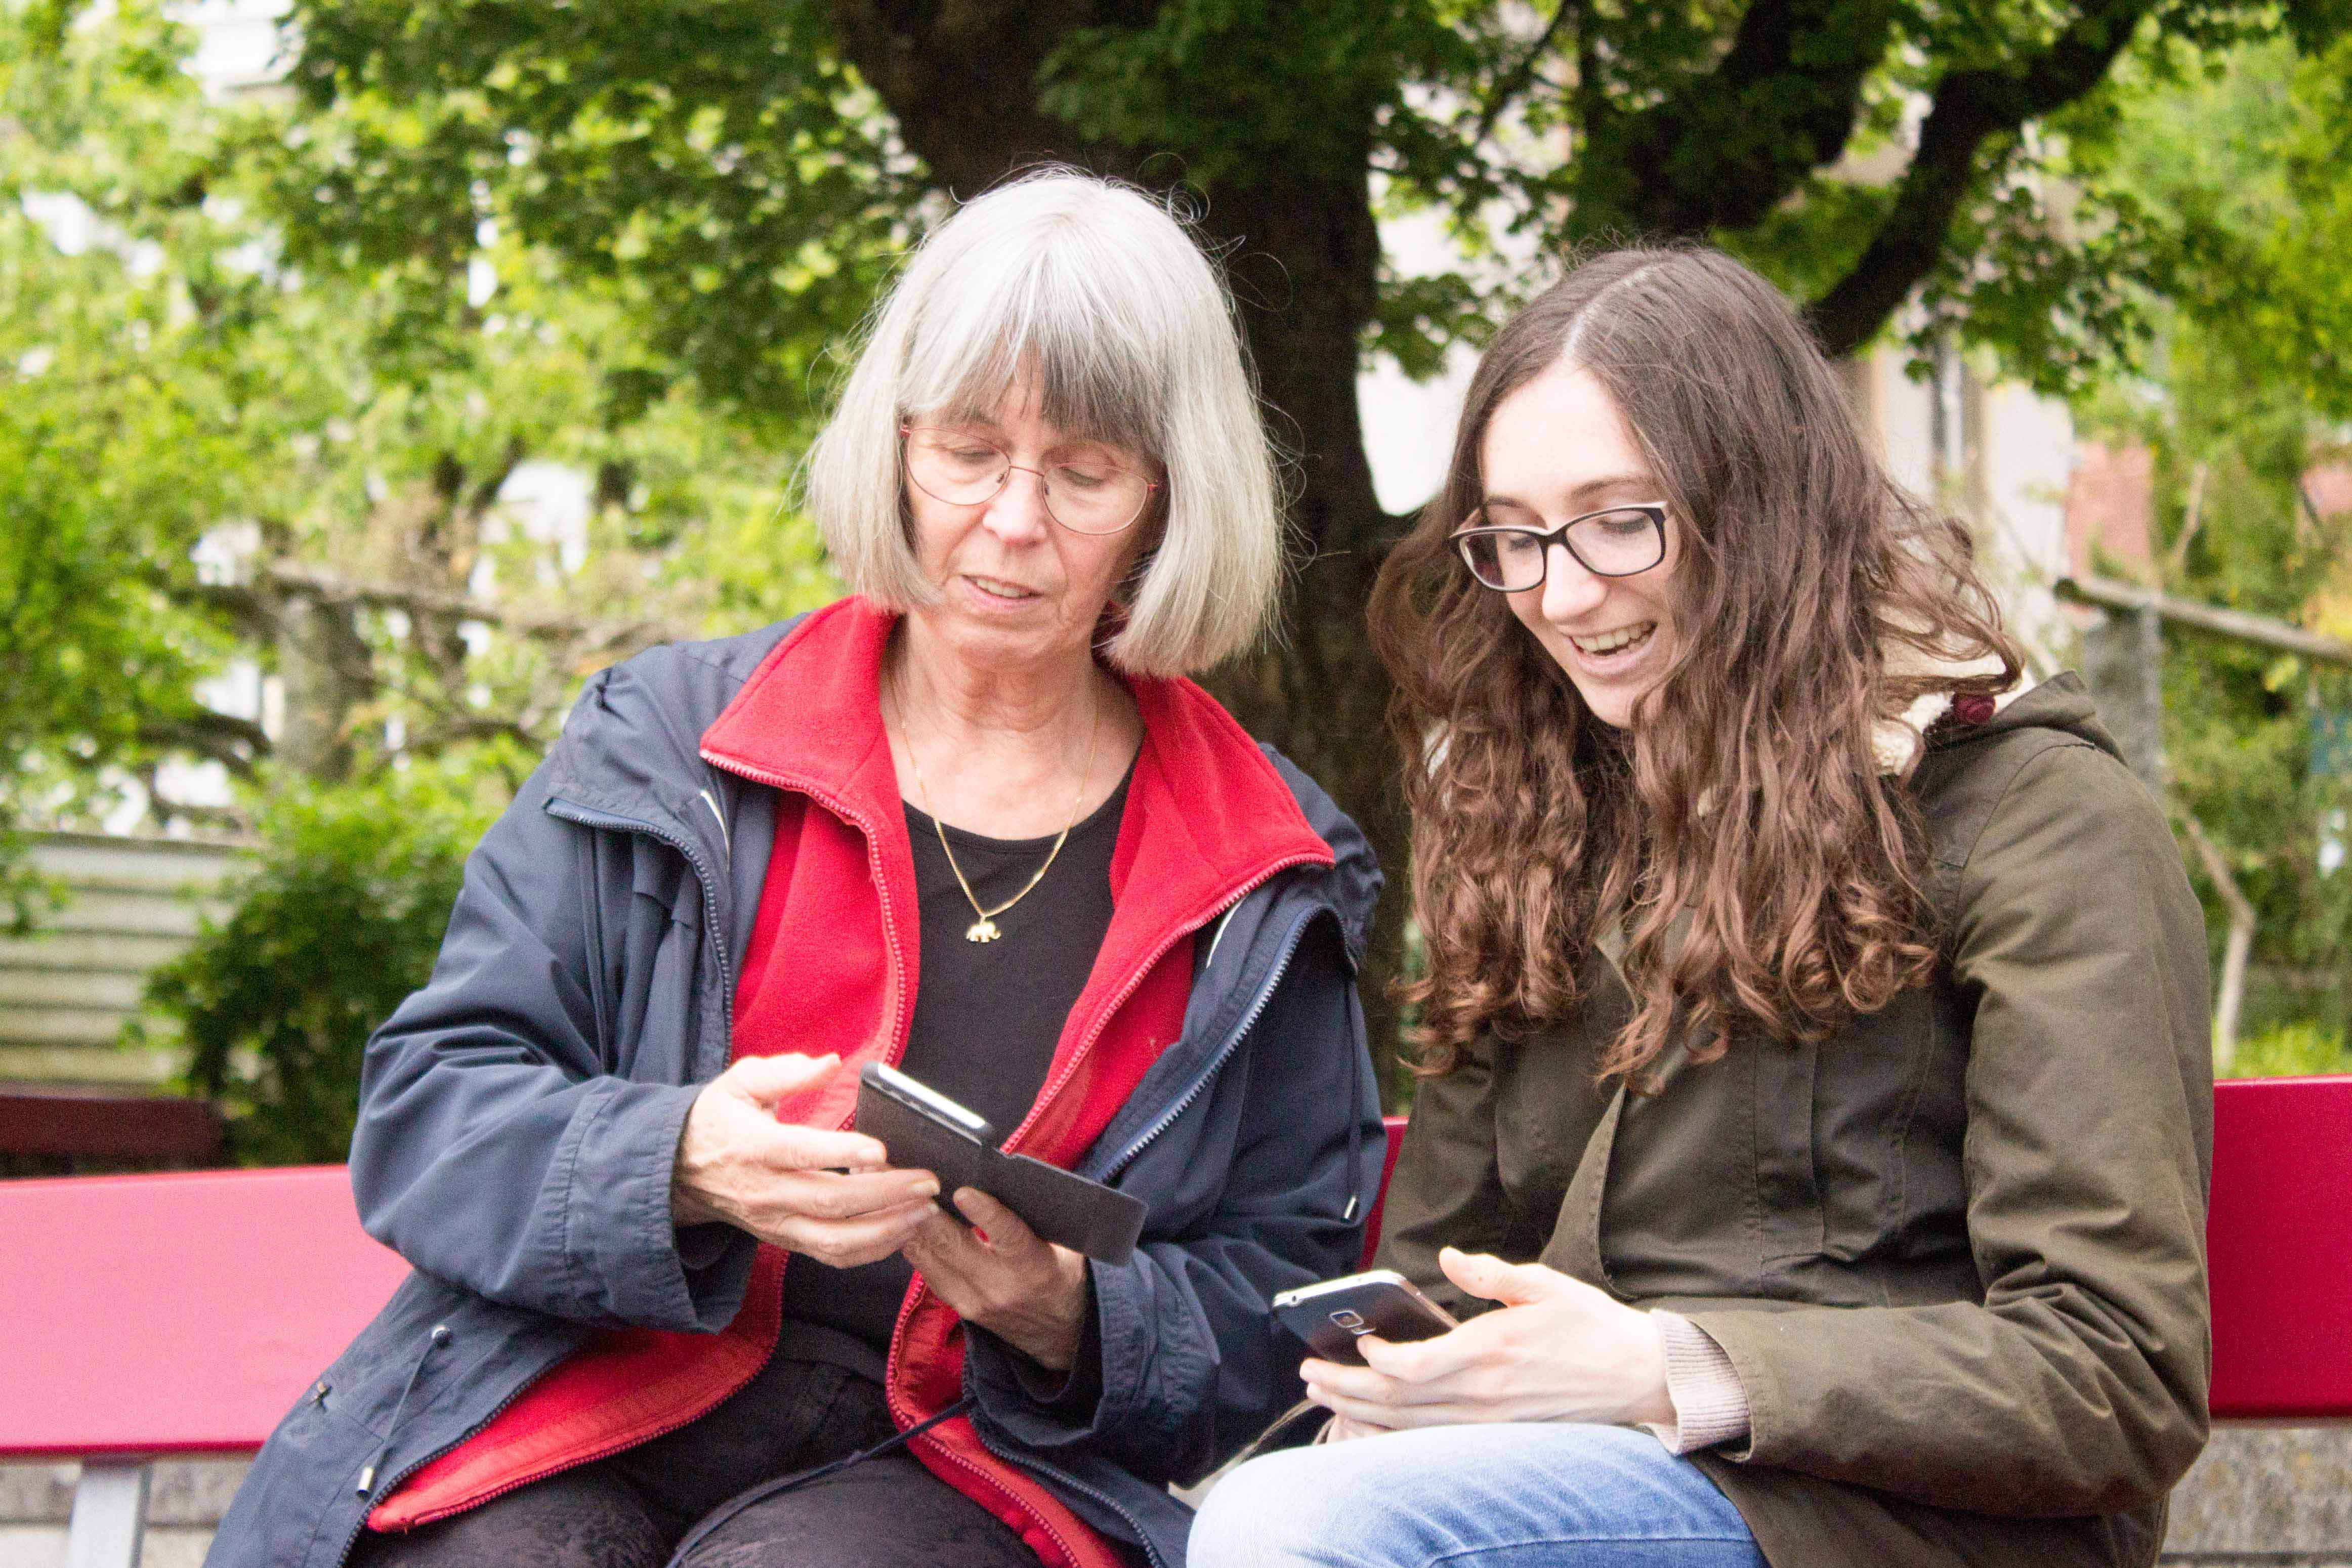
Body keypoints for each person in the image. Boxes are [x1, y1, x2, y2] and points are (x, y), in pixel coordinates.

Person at [206, 169, 1385, 1568]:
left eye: (1082, 473)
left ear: (1168, 502)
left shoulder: (1261, 863)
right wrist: (681, 1161)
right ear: (894, 447)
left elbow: (1287, 1300)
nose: (1013, 520)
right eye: (968, 449)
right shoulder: (671, 743)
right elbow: (429, 1114)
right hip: (588, 1391)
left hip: (974, 1459)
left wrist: (1071, 1309)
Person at [1190, 245, 2212, 1568]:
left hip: (1902, 1524)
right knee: (1254, 1515)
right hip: (1571, 1491)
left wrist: (1660, 1365)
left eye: (1622, 519)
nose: (1560, 592)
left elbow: (2115, 1371)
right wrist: (1391, 1392)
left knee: (1300, 1531)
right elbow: (1441, 1281)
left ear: (1766, 508)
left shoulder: (2038, 818)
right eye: (1516, 534)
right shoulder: (1539, 816)